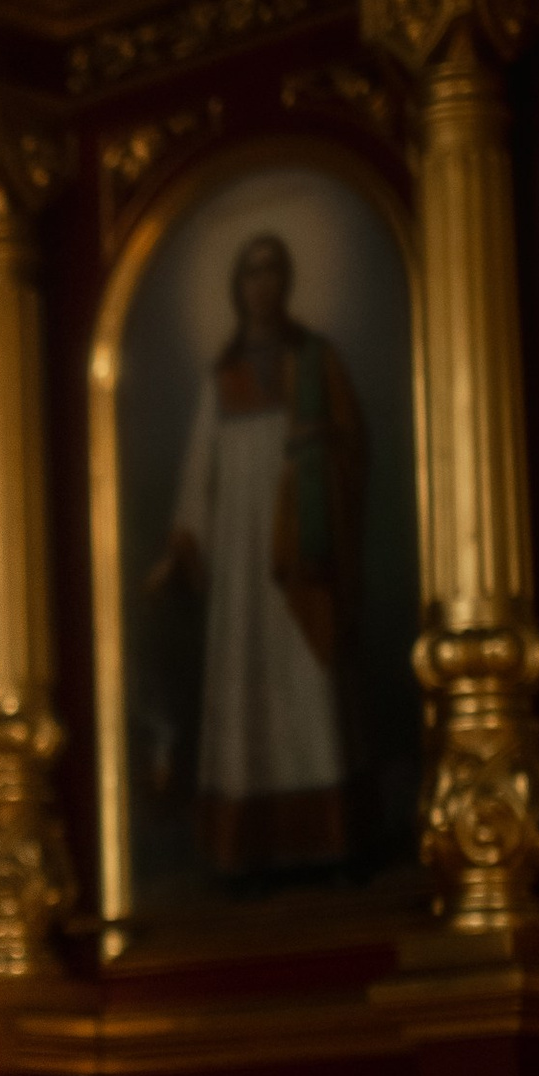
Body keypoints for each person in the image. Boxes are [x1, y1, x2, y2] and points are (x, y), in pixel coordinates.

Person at [149, 229, 366, 876]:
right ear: (238, 289)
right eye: (251, 274)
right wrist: (183, 544)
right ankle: (246, 847)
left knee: (310, 687)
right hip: (242, 576)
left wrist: (316, 477)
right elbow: (199, 475)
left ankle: (328, 843)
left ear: (287, 282)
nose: (261, 285)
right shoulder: (225, 377)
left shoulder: (316, 361)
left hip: (301, 559)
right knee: (243, 688)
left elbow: (351, 448)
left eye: (272, 272)